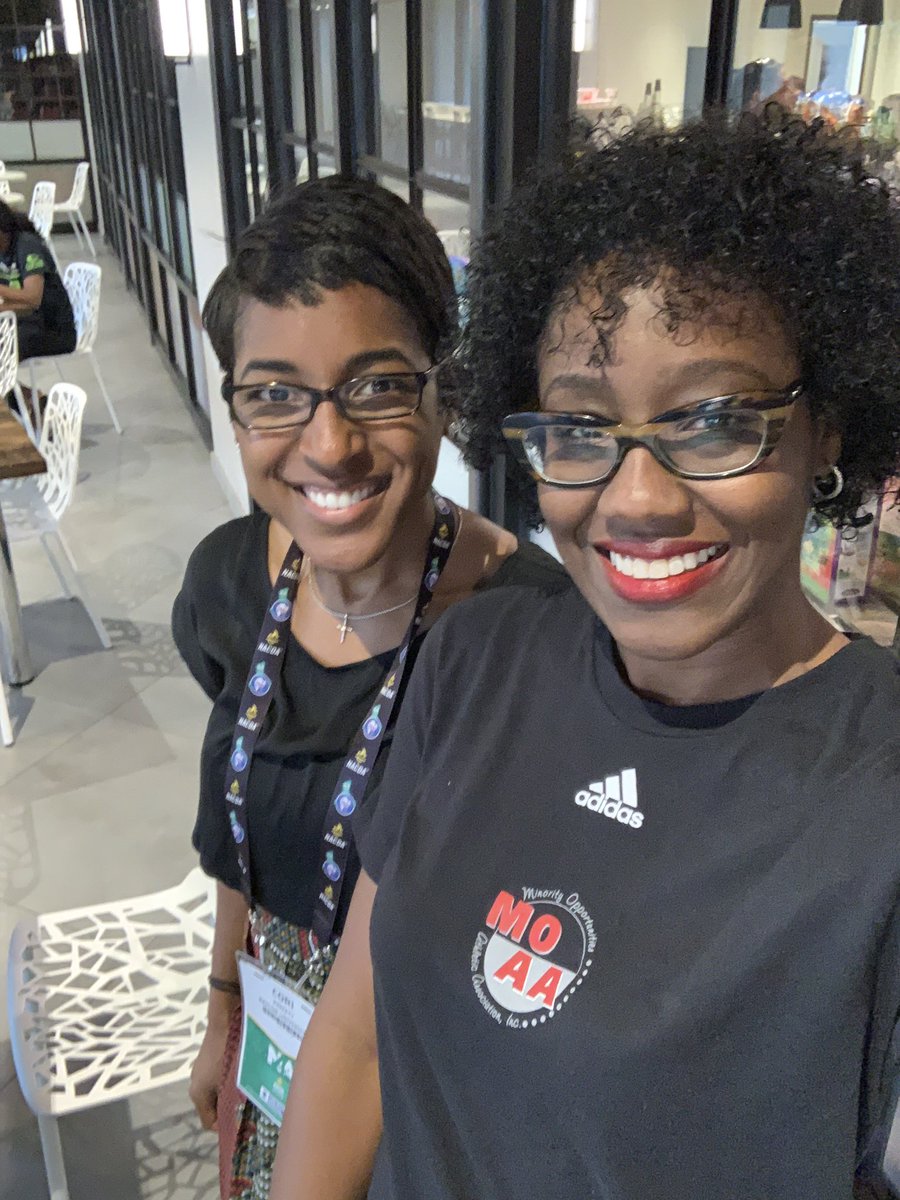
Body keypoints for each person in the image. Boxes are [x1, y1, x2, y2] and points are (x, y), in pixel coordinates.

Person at [270, 113, 900, 1199]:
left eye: (713, 421)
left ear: (827, 425)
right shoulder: (473, 661)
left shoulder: (876, 799)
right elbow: (360, 1039)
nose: (638, 498)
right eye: (579, 428)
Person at [172, 176, 565, 1200]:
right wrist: (222, 1009)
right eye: (274, 394)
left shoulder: (529, 633)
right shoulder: (227, 586)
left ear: (444, 390)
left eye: (379, 386)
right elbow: (247, 828)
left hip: (440, 1085)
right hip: (272, 1040)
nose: (330, 443)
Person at [0, 200, 75, 364]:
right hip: (25, 321)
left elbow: (33, 299)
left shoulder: (27, 246)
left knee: (3, 350)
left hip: (52, 329)